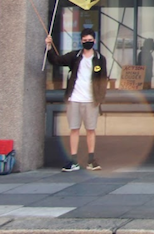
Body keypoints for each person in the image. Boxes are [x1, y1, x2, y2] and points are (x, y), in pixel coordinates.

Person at [46, 27, 108, 172]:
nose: (87, 42)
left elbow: (103, 80)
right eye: (85, 40)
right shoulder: (75, 56)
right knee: (74, 129)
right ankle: (73, 159)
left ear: (94, 40)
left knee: (90, 130)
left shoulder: (99, 59)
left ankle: (91, 159)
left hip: (91, 100)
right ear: (81, 41)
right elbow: (57, 60)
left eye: (90, 40)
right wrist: (49, 46)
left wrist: (100, 98)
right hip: (74, 98)